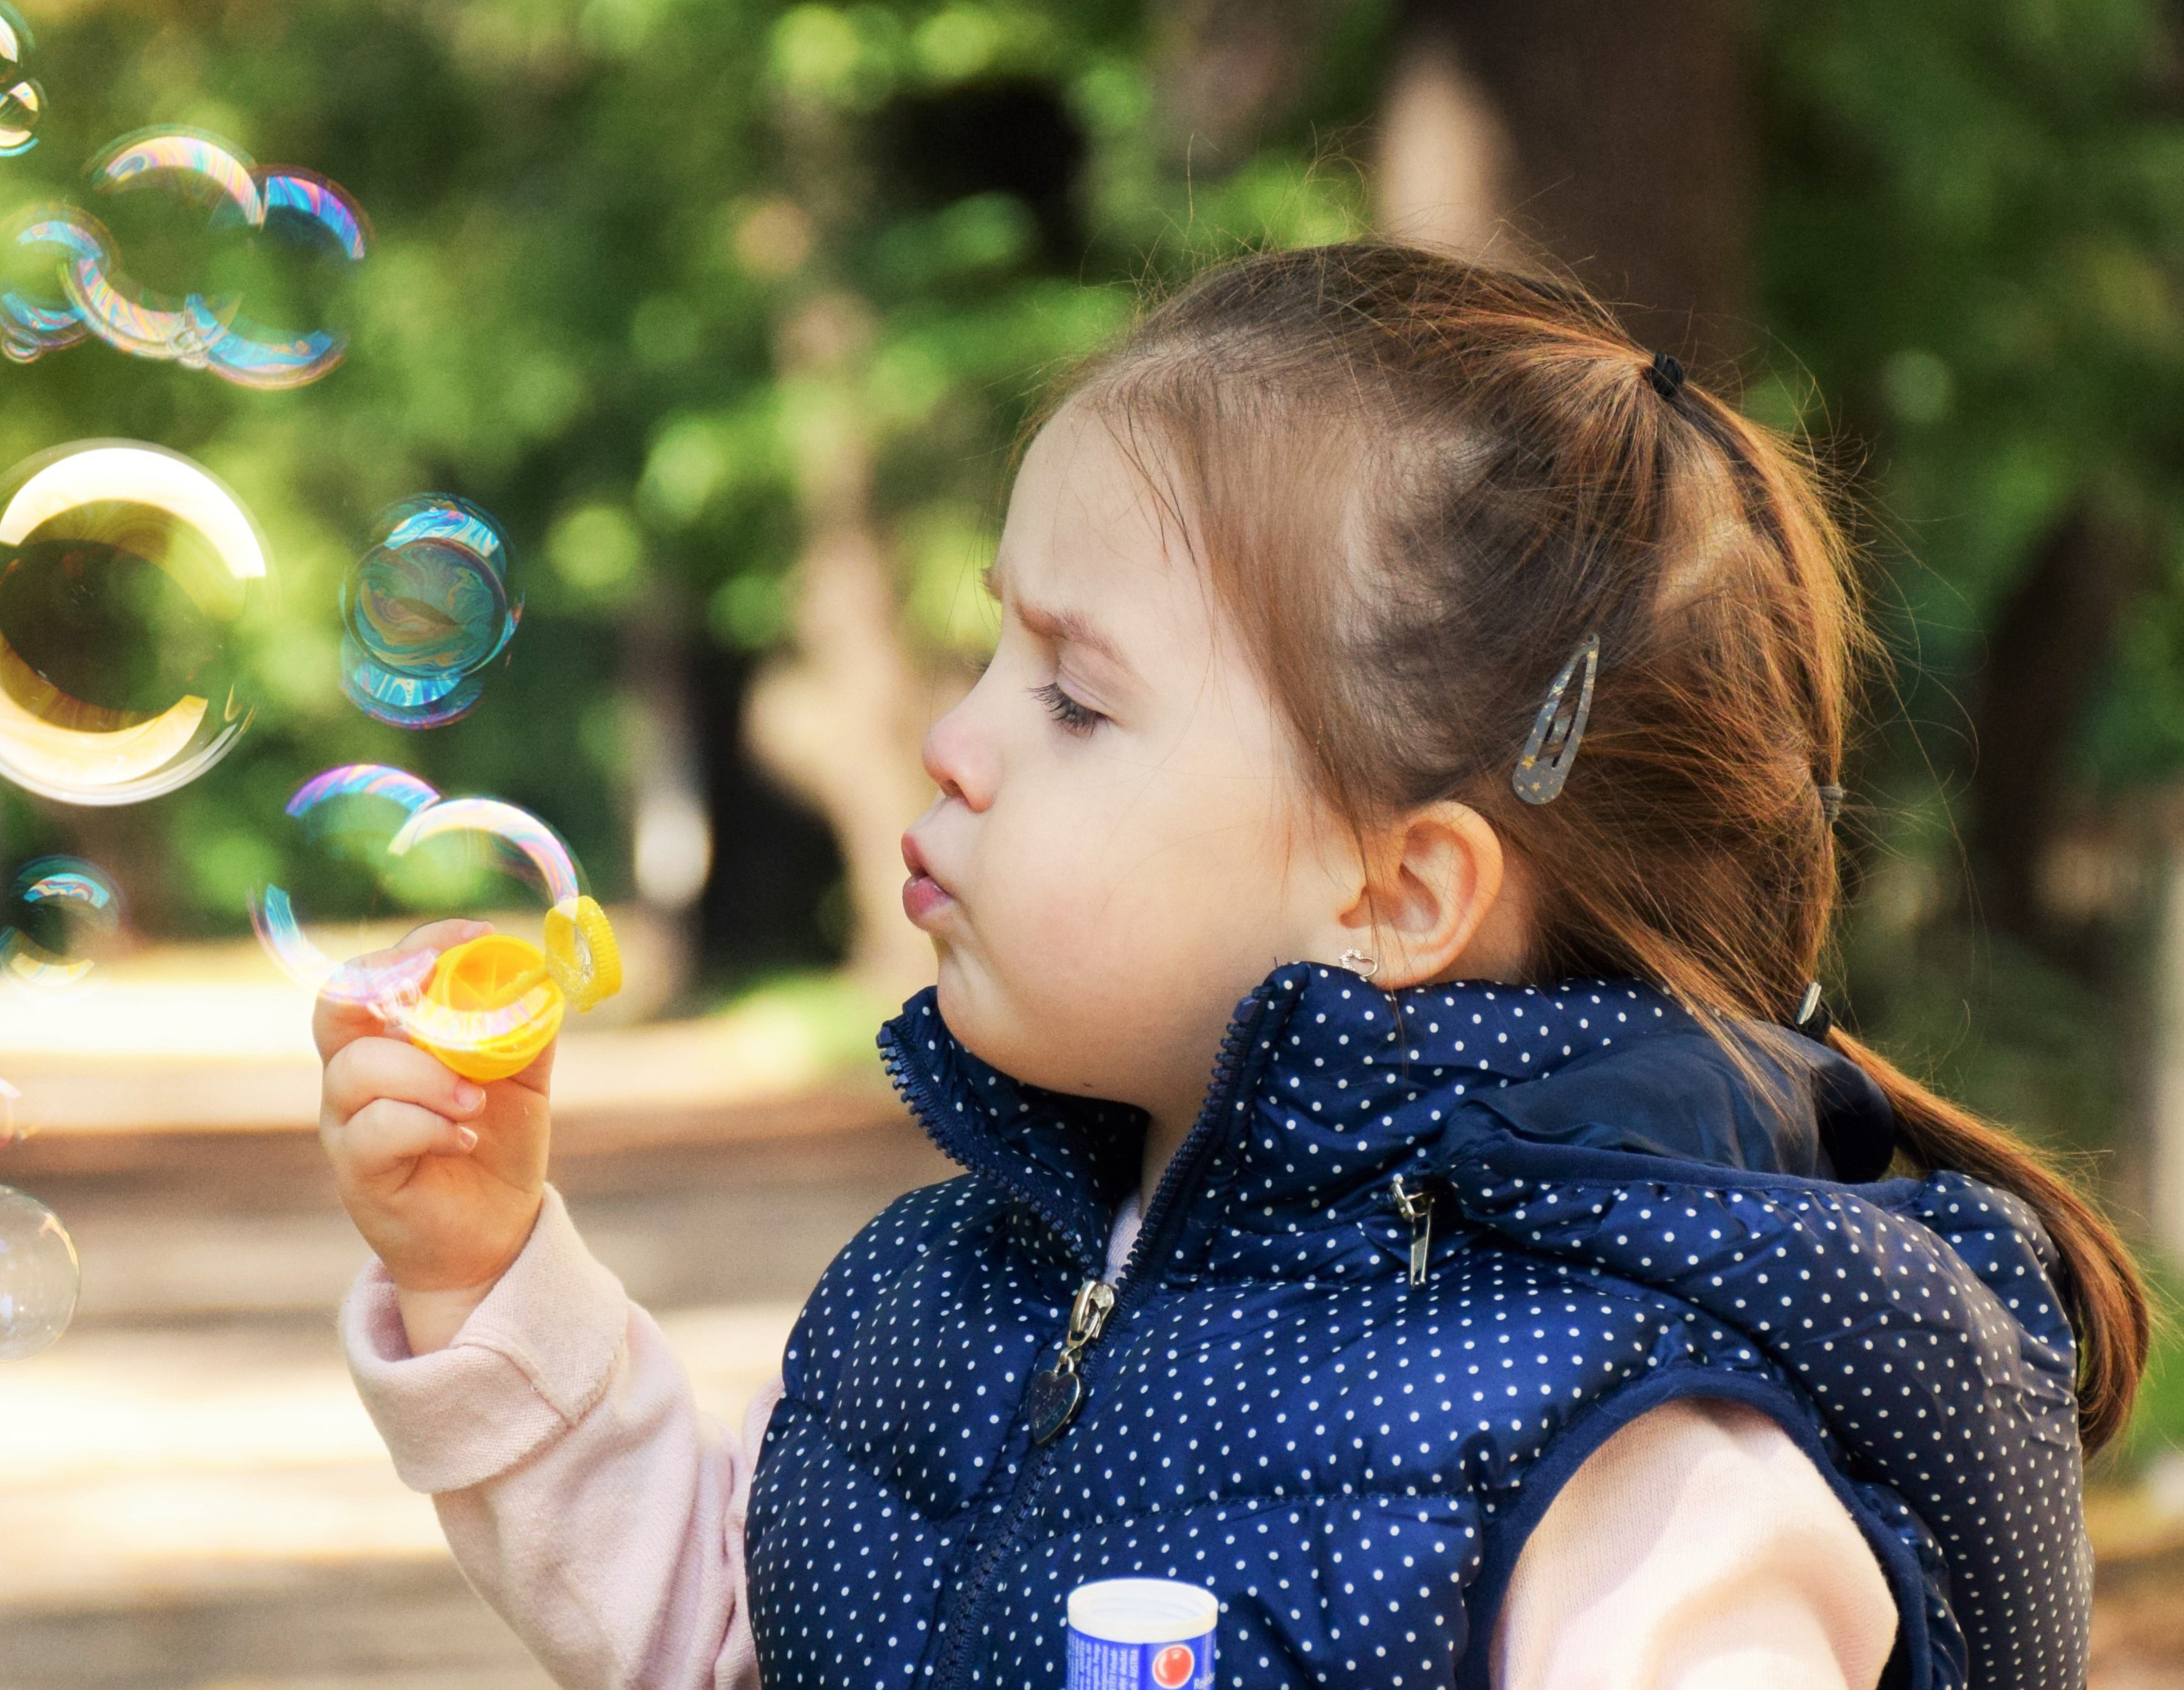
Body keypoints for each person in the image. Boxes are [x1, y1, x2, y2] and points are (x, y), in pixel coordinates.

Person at [312, 242, 2146, 1689]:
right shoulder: (964, 1291)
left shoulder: (1631, 1445)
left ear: (1401, 891)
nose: (957, 741)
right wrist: (490, 1285)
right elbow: (748, 1639)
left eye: (1076, 696)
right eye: (988, 651)